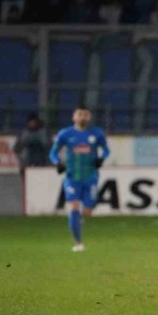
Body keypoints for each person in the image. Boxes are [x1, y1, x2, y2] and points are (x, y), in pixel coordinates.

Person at [49, 105, 110, 252]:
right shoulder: (65, 133)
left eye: (85, 114)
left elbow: (106, 150)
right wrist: (57, 163)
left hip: (91, 177)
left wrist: (101, 159)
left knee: (87, 212)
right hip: (72, 177)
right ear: (74, 117)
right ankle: (78, 243)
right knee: (74, 207)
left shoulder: (97, 133)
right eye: (79, 114)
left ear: (89, 117)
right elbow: (53, 152)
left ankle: (80, 219)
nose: (82, 117)